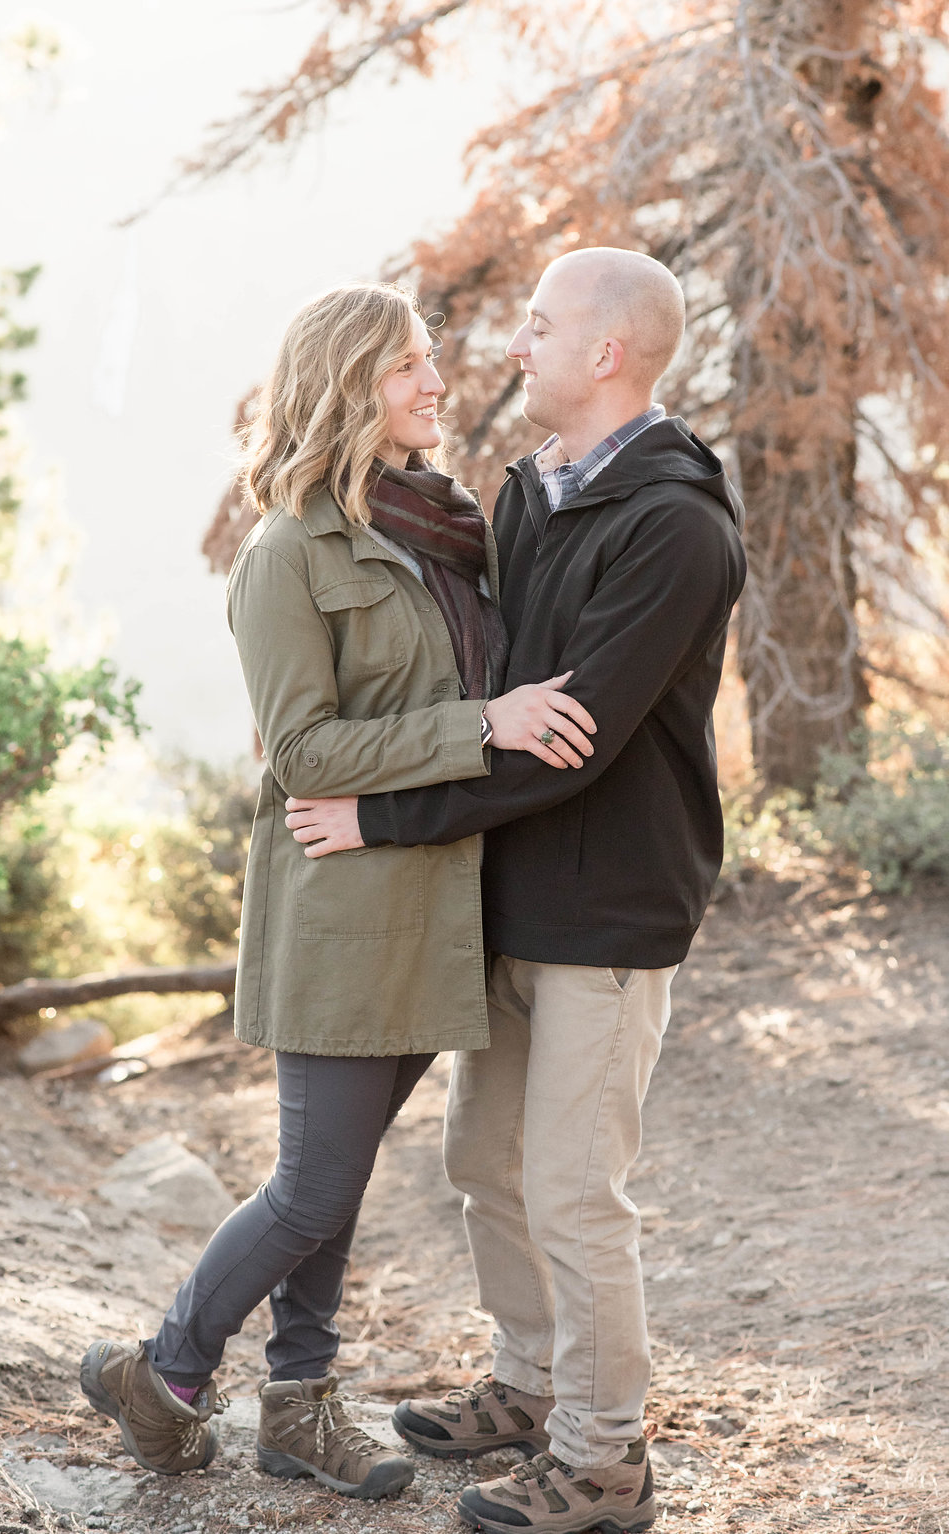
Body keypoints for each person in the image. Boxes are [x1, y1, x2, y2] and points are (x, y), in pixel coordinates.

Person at [78, 281, 596, 1502]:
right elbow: (300, 752)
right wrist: (488, 722)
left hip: (436, 907)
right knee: (312, 1185)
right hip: (340, 915)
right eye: (409, 365)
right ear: (348, 383)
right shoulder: (285, 552)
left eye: (429, 362)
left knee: (338, 1176)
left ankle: (296, 1407)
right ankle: (165, 1368)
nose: (435, 382)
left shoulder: (445, 521)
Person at [283, 248, 748, 1533]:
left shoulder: (675, 526)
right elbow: (493, 701)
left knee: (574, 1190)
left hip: (610, 908)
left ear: (607, 354)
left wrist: (380, 816)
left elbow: (566, 739)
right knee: (481, 1157)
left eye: (539, 327)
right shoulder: (530, 491)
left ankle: (604, 1460)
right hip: (517, 891)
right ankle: (534, 1383)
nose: (514, 346)